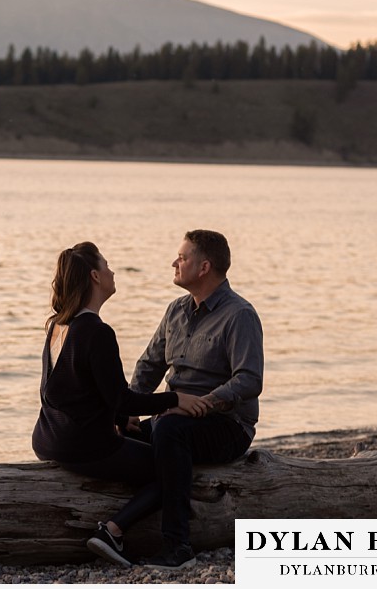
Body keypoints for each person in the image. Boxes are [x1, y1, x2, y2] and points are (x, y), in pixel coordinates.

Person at [31, 241, 211, 567]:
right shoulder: (97, 332)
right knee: (173, 468)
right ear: (95, 277)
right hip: (83, 446)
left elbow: (72, 391)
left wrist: (118, 417)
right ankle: (112, 530)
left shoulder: (58, 325)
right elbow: (122, 397)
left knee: (150, 447)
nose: (113, 271)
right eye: (107, 265)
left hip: (46, 439)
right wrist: (176, 399)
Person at [128, 229, 264, 570]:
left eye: (182, 257)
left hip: (228, 425)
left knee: (170, 430)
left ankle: (177, 546)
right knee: (126, 437)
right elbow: (149, 366)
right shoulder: (175, 310)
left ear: (204, 267)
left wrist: (205, 403)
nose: (174, 262)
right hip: (174, 418)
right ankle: (117, 528)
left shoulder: (239, 315)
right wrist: (129, 409)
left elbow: (249, 380)